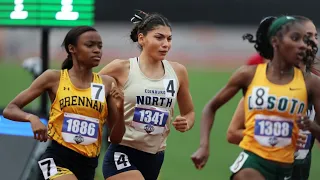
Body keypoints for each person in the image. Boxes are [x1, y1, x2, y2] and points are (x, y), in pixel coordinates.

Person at [191, 16, 320, 180]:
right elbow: (213, 109)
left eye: (308, 38)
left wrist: (311, 127)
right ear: (275, 41)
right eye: (296, 38)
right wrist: (204, 146)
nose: (304, 44)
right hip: (254, 162)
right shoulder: (250, 75)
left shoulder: (312, 84)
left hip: (290, 168)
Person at [3, 26, 125, 180]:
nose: (97, 50)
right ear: (72, 49)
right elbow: (10, 108)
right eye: (90, 45)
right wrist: (31, 118)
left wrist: (120, 110)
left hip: (87, 164)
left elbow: (116, 138)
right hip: (55, 158)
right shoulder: (54, 78)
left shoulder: (107, 84)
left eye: (99, 46)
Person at [99, 10, 195, 180]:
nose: (166, 44)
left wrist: (186, 122)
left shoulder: (178, 72)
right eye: (159, 38)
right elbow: (87, 97)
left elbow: (189, 113)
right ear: (141, 38)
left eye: (169, 39)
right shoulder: (120, 68)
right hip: (122, 151)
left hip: (155, 156)